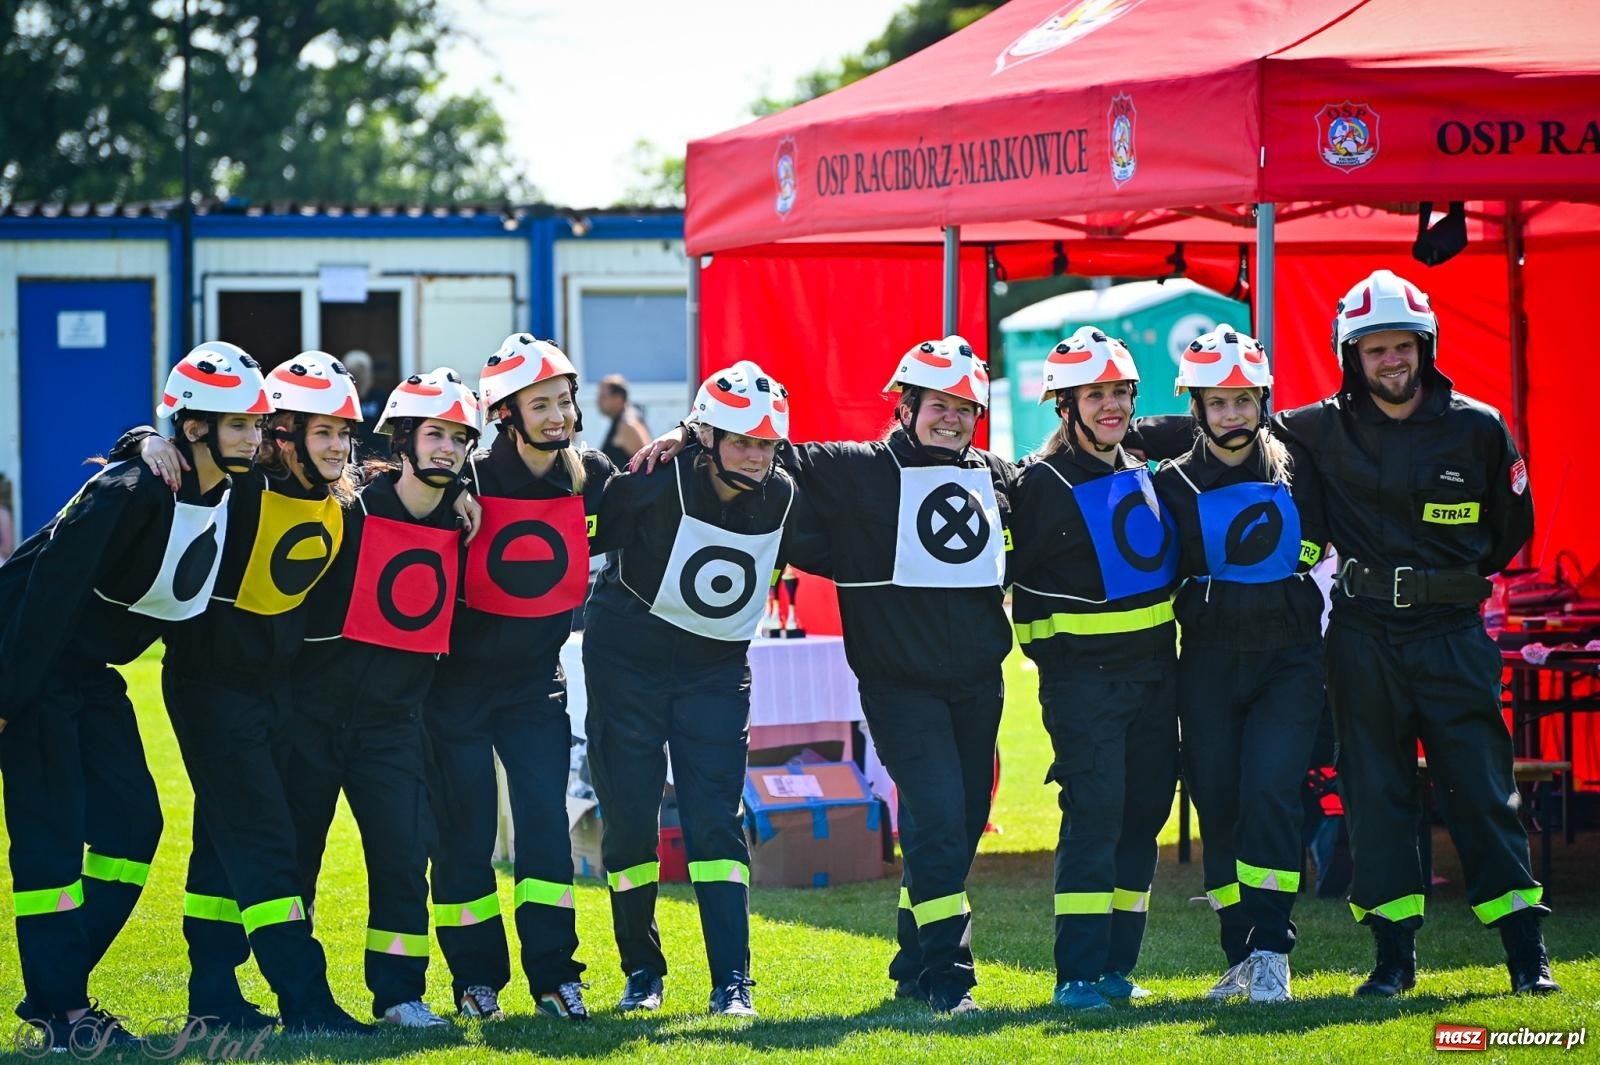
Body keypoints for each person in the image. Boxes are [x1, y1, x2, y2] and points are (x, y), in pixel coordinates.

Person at [635, 335, 1013, 1015]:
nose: (952, 418)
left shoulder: (994, 475)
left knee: (958, 826)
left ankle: (913, 962)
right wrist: (688, 432)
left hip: (981, 686)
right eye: (938, 405)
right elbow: (762, 448)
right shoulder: (856, 469)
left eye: (965, 407)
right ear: (906, 407)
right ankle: (949, 978)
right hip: (900, 687)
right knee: (935, 820)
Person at [1273, 269, 1553, 996]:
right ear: (1351, 355)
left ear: (1425, 345)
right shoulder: (1313, 429)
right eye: (1375, 349)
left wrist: (1443, 583)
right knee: (1375, 795)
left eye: (1403, 345)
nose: (1391, 361)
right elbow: (1228, 426)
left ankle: (1527, 956)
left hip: (1453, 634)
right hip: (1361, 636)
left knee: (1482, 789)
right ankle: (1393, 960)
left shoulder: (1479, 427)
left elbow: (1510, 530)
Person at [0, 341, 263, 1050]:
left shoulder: (231, 488)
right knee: (51, 842)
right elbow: (43, 594)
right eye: (238, 424)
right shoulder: (130, 488)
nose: (254, 437)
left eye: (257, 423)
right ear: (195, 426)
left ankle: (54, 988)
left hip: (89, 673)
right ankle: (62, 1013)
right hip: (27, 666)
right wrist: (8, 699)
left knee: (131, 826)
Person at [124, 349, 375, 1034]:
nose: (338, 447)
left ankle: (212, 990)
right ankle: (306, 1000)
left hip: (277, 694)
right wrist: (141, 439)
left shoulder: (343, 506)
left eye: (344, 433)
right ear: (282, 434)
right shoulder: (237, 487)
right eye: (323, 432)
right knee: (267, 840)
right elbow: (170, 448)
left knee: (221, 839)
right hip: (209, 688)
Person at [587, 360, 811, 1018]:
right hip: (626, 662)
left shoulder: (784, 493)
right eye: (741, 441)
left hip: (714, 672)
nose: (757, 456)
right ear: (707, 438)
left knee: (716, 821)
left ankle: (732, 982)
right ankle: (641, 972)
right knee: (631, 822)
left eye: (767, 444)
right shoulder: (655, 478)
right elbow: (584, 534)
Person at [426, 335, 615, 1023]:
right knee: (464, 837)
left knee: (544, 832)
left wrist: (684, 435)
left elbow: (656, 497)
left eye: (564, 400)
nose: (558, 415)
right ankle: (474, 980)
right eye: (541, 405)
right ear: (505, 413)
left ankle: (556, 977)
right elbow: (380, 493)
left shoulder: (592, 475)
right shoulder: (465, 480)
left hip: (537, 686)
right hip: (456, 689)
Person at [285, 368, 481, 1029]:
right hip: (311, 719)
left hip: (393, 728)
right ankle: (296, 995)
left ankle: (399, 995)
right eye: (435, 435)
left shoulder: (464, 524)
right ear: (403, 440)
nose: (448, 449)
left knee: (402, 863)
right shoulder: (348, 511)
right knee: (296, 861)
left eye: (460, 438)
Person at [1150, 325, 1327, 1003]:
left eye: (1244, 400)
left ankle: (1273, 951)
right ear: (1196, 408)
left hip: (1289, 661)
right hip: (1209, 664)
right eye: (1218, 402)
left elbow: (1321, 538)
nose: (1232, 414)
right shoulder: (1168, 482)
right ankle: (1238, 954)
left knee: (1270, 794)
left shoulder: (1299, 468)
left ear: (1263, 401)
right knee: (1217, 802)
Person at [1007, 326, 1179, 1011]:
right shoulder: (1037, 483)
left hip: (1155, 677)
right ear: (1065, 405)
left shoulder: (1140, 468)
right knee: (1096, 815)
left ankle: (1115, 967)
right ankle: (1075, 974)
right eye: (1094, 394)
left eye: (1119, 392)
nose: (1110, 406)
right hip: (1084, 685)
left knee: (1144, 815)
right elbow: (1009, 577)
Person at [597, 374, 652, 468]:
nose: (598, 401)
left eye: (603, 396)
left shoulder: (627, 424)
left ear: (618, 398)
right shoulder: (620, 420)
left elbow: (647, 464)